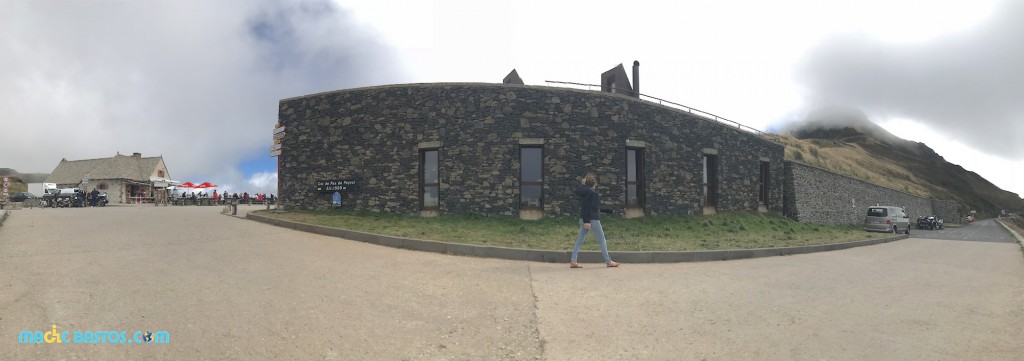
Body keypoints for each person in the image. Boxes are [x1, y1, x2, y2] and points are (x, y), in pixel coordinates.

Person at [569, 173, 619, 268]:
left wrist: (608, 211)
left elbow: (593, 207)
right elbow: (589, 207)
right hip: (592, 219)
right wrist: (587, 221)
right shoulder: (592, 193)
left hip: (583, 217)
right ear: (594, 183)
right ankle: (608, 261)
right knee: (602, 240)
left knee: (580, 239)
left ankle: (573, 260)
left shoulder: (584, 192)